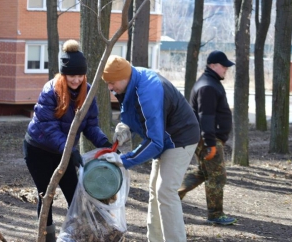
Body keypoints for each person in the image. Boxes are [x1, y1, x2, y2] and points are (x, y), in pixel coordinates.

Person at [100, 55, 200, 242]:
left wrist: (124, 160)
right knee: (155, 190)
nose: (110, 88)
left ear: (123, 77)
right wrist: (126, 126)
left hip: (181, 137)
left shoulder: (148, 91)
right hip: (165, 136)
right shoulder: (131, 79)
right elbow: (135, 111)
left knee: (165, 191)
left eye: (112, 83)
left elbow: (156, 142)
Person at [23, 40, 113, 242]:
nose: (76, 80)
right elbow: (49, 128)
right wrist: (69, 150)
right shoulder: (51, 91)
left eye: (80, 75)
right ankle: (47, 239)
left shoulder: (87, 91)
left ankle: (79, 237)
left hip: (64, 151)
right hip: (38, 150)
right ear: (64, 74)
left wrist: (103, 142)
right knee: (46, 197)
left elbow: (90, 125)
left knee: (76, 196)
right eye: (72, 75)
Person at [178, 50, 237, 225]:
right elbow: (206, 116)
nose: (226, 68)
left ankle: (173, 194)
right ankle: (215, 215)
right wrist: (211, 143)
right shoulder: (207, 86)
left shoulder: (210, 83)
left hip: (207, 139)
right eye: (223, 65)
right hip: (208, 140)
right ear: (212, 65)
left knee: (203, 172)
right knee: (217, 177)